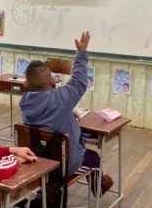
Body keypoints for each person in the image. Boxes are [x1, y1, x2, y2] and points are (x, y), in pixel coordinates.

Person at [20, 31, 113, 195]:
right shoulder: (61, 99)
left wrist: (68, 112)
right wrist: (81, 52)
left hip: (37, 162)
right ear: (52, 81)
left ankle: (45, 189)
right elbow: (78, 81)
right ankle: (100, 188)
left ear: (26, 85)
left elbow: (47, 108)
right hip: (63, 165)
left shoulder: (26, 102)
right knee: (93, 158)